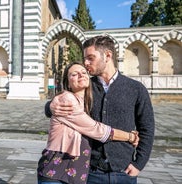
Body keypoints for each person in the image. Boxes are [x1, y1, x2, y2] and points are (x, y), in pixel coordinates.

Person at [45, 36, 155, 184]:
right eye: (85, 58)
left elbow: (147, 127)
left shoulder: (135, 89)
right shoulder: (86, 87)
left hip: (124, 172)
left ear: (108, 56)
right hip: (91, 172)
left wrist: (138, 164)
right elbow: (65, 99)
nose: (86, 63)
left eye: (91, 58)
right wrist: (49, 106)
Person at [38, 62, 139, 184]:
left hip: (76, 174)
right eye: (74, 74)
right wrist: (130, 136)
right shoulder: (67, 100)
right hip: (55, 172)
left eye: (84, 72)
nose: (81, 75)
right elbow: (98, 130)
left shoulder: (86, 103)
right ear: (67, 83)